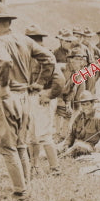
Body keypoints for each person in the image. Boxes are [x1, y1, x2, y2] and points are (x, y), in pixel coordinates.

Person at [0, 3, 55, 200]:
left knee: (7, 147)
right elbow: (49, 59)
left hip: (6, 98)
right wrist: (39, 83)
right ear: (9, 22)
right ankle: (26, 186)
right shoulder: (25, 40)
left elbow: (4, 62)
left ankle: (20, 191)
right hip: (24, 98)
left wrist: (4, 87)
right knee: (21, 144)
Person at [24, 24, 65, 176]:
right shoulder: (30, 56)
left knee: (44, 135)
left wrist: (48, 94)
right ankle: (34, 167)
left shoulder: (46, 56)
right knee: (32, 136)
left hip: (43, 99)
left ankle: (55, 168)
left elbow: (60, 80)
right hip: (32, 99)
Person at [58, 90, 100, 158]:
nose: (85, 107)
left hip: (88, 146)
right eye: (83, 104)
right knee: (57, 148)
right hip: (74, 144)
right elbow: (71, 134)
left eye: (87, 104)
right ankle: (58, 154)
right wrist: (66, 144)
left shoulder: (98, 119)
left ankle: (62, 157)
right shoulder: (78, 117)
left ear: (92, 104)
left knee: (78, 146)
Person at [55, 43, 87, 142]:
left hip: (68, 95)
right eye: (77, 58)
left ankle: (66, 133)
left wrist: (69, 102)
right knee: (60, 109)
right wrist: (63, 101)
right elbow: (57, 86)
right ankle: (57, 133)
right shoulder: (62, 69)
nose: (79, 61)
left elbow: (73, 89)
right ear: (70, 59)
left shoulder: (78, 73)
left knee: (74, 109)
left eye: (81, 59)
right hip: (56, 94)